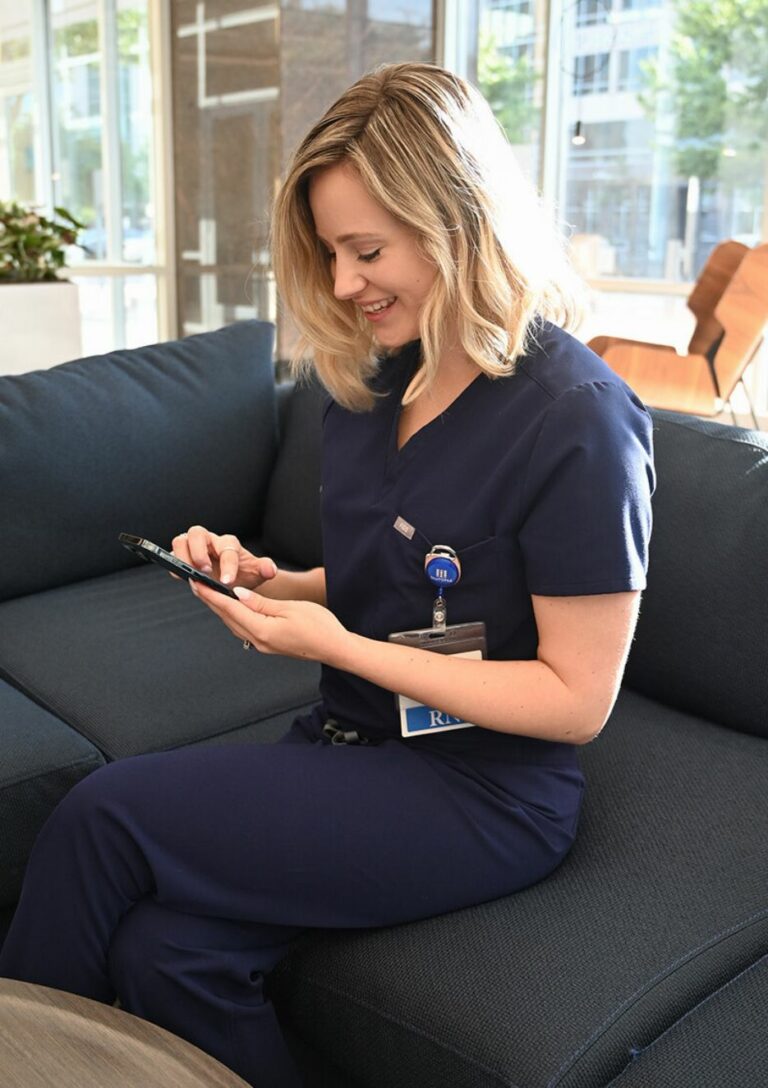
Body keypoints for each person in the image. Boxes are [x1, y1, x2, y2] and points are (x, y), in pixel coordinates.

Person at [0, 63, 654, 1087]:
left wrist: (336, 643)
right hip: (352, 742)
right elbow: (388, 580)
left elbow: (576, 699)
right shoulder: (373, 377)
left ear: (459, 219)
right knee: (168, 955)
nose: (345, 283)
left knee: (102, 811)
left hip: (482, 790)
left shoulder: (578, 418)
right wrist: (271, 579)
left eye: (367, 250)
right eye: (330, 252)